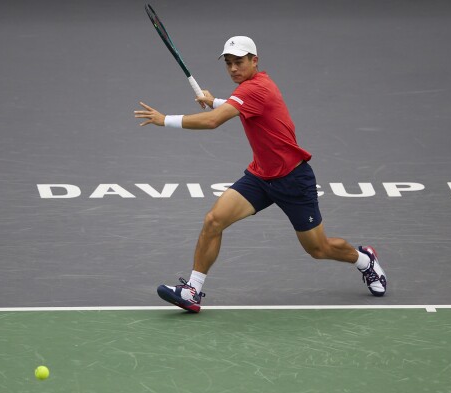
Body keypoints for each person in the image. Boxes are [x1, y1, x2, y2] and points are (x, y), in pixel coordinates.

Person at [134, 36, 387, 313]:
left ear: (255, 61)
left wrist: (164, 120)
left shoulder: (256, 88)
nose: (233, 68)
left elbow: (213, 121)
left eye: (239, 62)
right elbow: (239, 107)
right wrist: (216, 100)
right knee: (213, 221)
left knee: (318, 249)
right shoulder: (248, 89)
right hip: (260, 177)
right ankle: (192, 290)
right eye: (228, 63)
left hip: (293, 180)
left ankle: (364, 260)